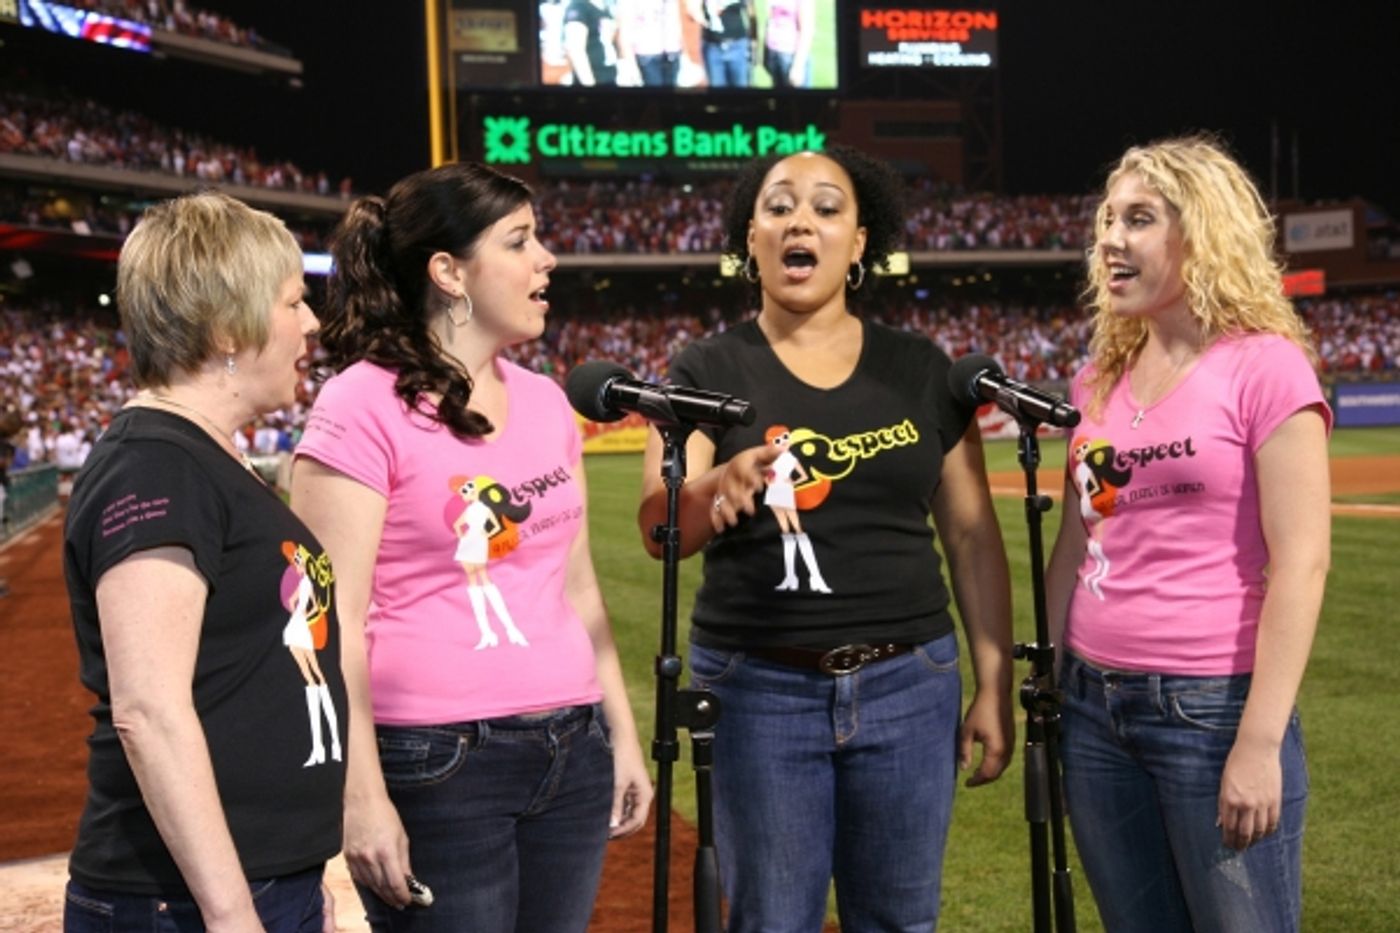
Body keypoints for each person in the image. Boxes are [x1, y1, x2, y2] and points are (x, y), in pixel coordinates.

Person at [636, 146, 1015, 932]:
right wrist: (714, 489)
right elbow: (658, 527)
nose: (798, 220)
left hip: (912, 684)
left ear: (861, 240)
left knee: (902, 919)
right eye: (777, 205)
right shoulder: (702, 368)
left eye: (824, 206)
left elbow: (973, 537)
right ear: (750, 239)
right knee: (772, 920)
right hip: (757, 692)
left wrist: (994, 682)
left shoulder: (922, 368)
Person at [290, 161, 653, 932]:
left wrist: (619, 732)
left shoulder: (550, 400)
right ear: (449, 271)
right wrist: (360, 799)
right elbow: (331, 622)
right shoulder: (360, 402)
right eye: (521, 241)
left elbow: (579, 590)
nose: (546, 258)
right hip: (437, 762)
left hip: (573, 745)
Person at [1044, 135, 1331, 932]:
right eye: (1107, 219)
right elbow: (1075, 545)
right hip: (1094, 708)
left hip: (1213, 709)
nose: (1110, 238)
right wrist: (1047, 679)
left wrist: (1259, 741)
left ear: (1199, 234)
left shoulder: (1266, 366)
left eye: (1139, 219)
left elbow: (1302, 562)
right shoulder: (1095, 379)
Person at [61, 191, 342, 931]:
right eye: (292, 301)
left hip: (249, 882)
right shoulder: (157, 465)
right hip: (185, 901)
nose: (311, 322)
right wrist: (232, 910)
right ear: (225, 327)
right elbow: (148, 710)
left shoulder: (195, 457)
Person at [686, 0, 754, 88]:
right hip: (713, 47)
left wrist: (753, 41)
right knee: (718, 95)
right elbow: (693, 9)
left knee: (741, 94)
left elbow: (751, 12)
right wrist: (703, 20)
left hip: (738, 46)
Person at [563, 0, 623, 86]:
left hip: (609, 76)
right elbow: (575, 50)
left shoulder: (604, 6)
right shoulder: (579, 6)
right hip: (593, 79)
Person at [757, 0, 814, 89]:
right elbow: (771, 20)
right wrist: (765, 53)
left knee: (799, 101)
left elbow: (806, 29)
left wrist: (798, 66)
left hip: (790, 56)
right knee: (780, 101)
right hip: (774, 53)